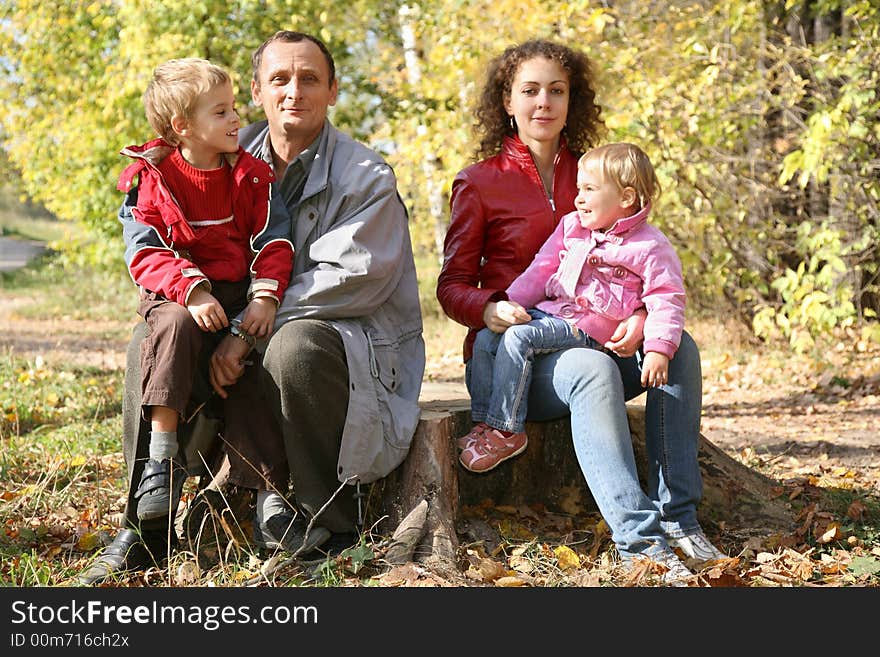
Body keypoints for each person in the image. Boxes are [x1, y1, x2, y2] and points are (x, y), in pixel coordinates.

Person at [79, 31, 425, 585]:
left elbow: (353, 280)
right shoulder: (220, 155)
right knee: (155, 338)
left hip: (344, 347)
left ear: (333, 90)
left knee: (293, 344)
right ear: (259, 92)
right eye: (278, 80)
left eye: (310, 78)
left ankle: (324, 520)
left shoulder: (367, 177)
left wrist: (243, 330)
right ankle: (147, 522)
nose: (294, 92)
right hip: (237, 312)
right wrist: (200, 302)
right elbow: (158, 239)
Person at [437, 39, 724, 583]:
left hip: (597, 334)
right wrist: (491, 308)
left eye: (557, 90)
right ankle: (638, 540)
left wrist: (641, 319)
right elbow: (451, 287)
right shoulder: (480, 182)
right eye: (530, 90)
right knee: (589, 371)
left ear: (573, 100)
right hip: (520, 354)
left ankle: (679, 516)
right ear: (507, 100)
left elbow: (646, 267)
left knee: (679, 345)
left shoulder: (600, 172)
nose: (543, 101)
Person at [115, 57, 294, 527]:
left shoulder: (252, 176)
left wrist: (264, 297)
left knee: (257, 354)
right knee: (171, 327)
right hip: (177, 292)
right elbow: (144, 252)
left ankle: (267, 488)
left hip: (238, 293)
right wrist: (191, 291)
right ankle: (162, 459)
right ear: (182, 126)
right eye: (221, 111)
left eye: (234, 107)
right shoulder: (150, 179)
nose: (237, 119)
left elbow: (274, 240)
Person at [459, 142, 686, 476]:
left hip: (589, 327)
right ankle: (485, 423)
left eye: (590, 189)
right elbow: (540, 270)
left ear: (625, 198)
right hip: (551, 313)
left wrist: (658, 349)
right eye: (578, 188)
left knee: (518, 339)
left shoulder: (649, 246)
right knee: (487, 337)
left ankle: (507, 431)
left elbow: (666, 297)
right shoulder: (572, 227)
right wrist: (507, 303)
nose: (578, 198)